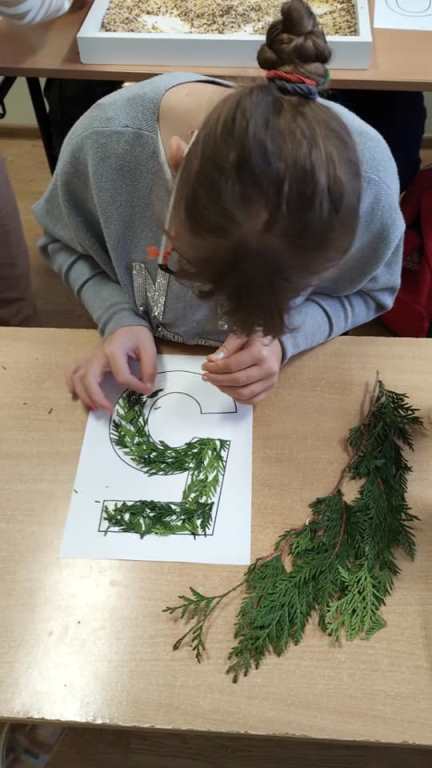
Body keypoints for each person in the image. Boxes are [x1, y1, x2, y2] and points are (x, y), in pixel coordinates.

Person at [34, 0, 405, 410]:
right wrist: (117, 317)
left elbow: (373, 289)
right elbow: (63, 243)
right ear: (177, 159)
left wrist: (285, 339)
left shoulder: (367, 183)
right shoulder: (104, 145)